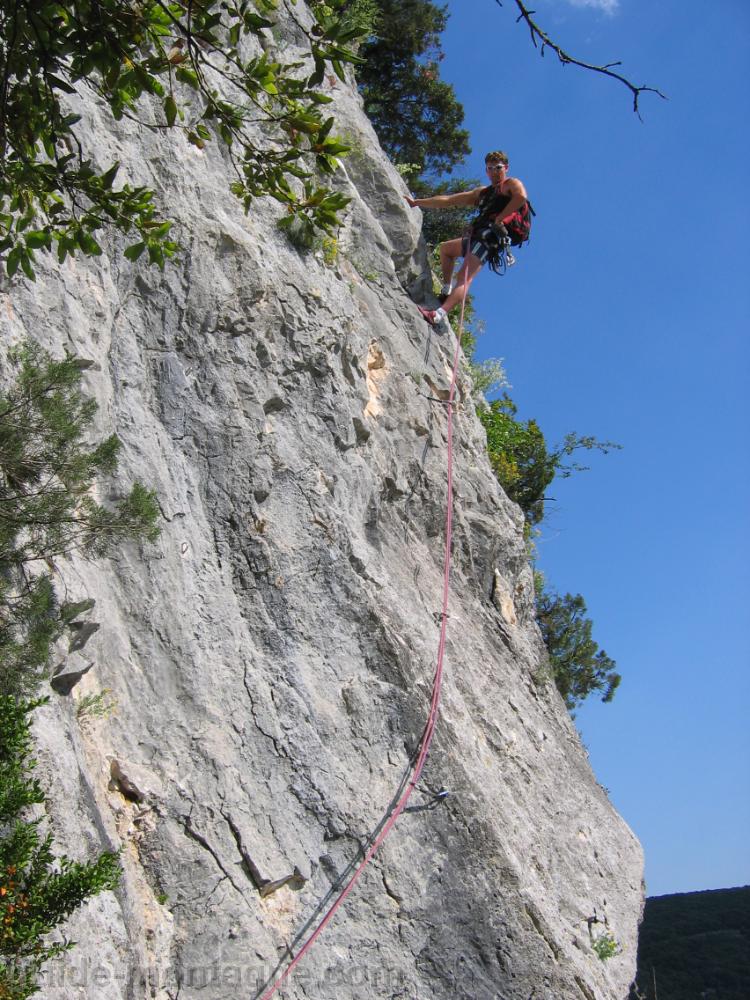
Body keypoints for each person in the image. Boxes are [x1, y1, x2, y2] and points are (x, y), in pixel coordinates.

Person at [404, 150, 529, 328]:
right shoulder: (483, 193)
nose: (494, 171)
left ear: (506, 168)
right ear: (486, 170)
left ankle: (438, 314)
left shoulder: (510, 184)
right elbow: (449, 200)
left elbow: (521, 197)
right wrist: (417, 202)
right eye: (490, 168)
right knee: (446, 249)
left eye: (498, 167)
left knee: (464, 276)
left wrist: (500, 219)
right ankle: (446, 291)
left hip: (488, 239)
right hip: (478, 236)